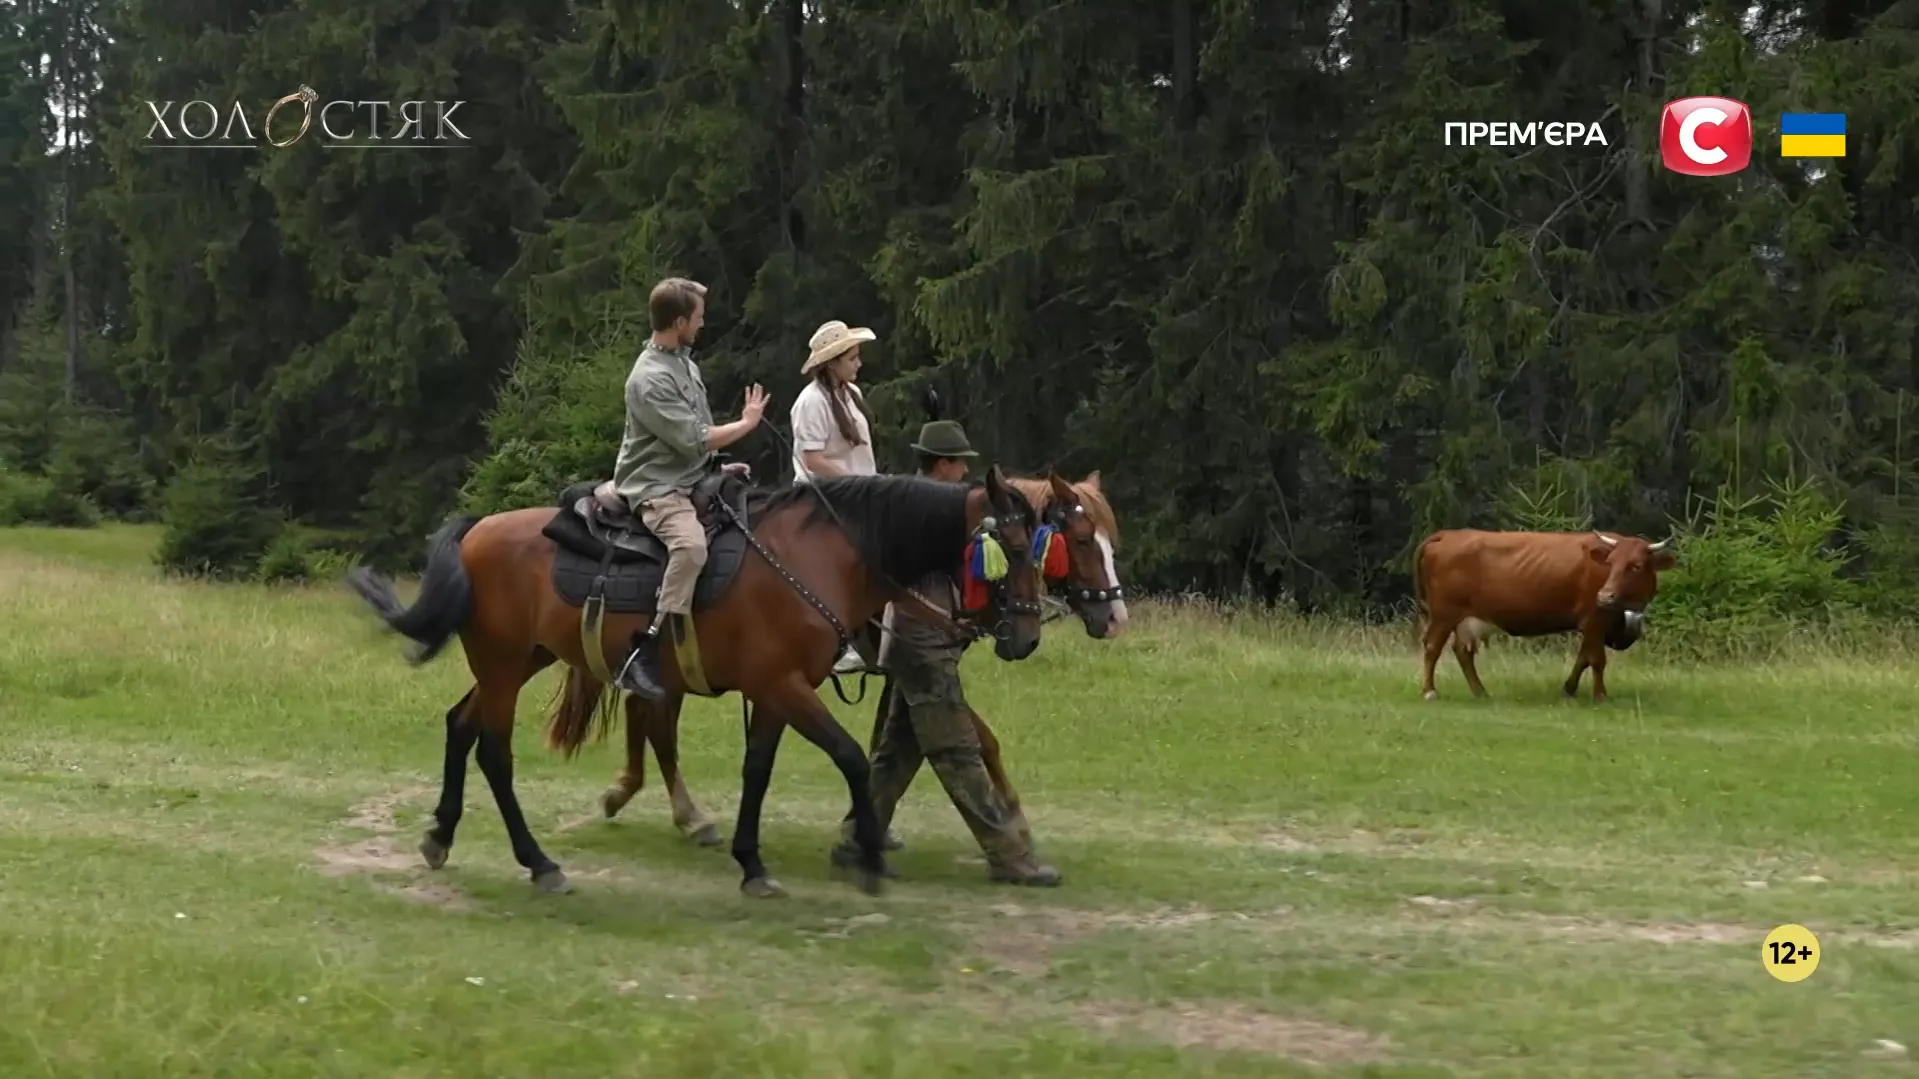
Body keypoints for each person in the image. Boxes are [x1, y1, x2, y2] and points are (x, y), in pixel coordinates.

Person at [830, 417, 1062, 887]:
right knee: (957, 749)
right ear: (942, 464)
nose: (964, 474)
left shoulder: (940, 508)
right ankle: (1008, 854)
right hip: (920, 641)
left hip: (923, 638)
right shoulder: (917, 508)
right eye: (960, 464)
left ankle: (858, 838)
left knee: (899, 748)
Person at [610, 277, 767, 701]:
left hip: (688, 475)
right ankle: (647, 651)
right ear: (678, 322)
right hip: (658, 487)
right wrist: (747, 424)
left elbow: (695, 445)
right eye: (697, 317)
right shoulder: (648, 380)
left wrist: (717, 466)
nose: (702, 323)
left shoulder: (684, 363)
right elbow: (694, 437)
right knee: (692, 547)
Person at [790, 319, 880, 674]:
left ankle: (869, 642)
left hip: (855, 495)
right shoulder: (810, 403)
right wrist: (856, 482)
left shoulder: (851, 395)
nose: (858, 364)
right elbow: (812, 458)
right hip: (824, 499)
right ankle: (844, 644)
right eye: (852, 358)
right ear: (832, 362)